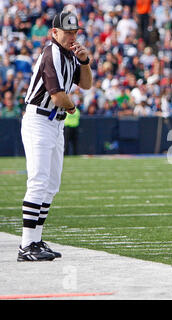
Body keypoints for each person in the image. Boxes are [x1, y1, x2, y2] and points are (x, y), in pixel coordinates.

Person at [18, 9, 92, 261]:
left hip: (54, 123)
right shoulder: (52, 53)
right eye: (67, 32)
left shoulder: (69, 56)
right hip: (40, 120)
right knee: (38, 182)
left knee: (50, 186)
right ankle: (26, 245)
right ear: (54, 32)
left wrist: (85, 62)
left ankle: (36, 241)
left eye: (74, 32)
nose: (72, 36)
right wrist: (72, 107)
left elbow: (87, 84)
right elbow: (58, 95)